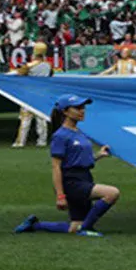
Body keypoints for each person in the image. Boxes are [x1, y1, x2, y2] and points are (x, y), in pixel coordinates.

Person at [14, 94, 121, 237]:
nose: (82, 111)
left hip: (85, 177)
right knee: (112, 193)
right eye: (77, 108)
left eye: (83, 107)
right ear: (65, 111)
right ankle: (86, 229)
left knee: (74, 227)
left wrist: (98, 155)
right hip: (72, 182)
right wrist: (60, 195)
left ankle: (35, 225)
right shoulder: (60, 136)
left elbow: (79, 160)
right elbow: (56, 167)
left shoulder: (79, 133)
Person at [12, 42, 53, 148]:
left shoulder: (29, 65)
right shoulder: (48, 65)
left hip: (29, 96)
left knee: (25, 120)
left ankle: (20, 142)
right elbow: (51, 75)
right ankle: (42, 141)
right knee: (42, 120)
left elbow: (18, 74)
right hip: (43, 95)